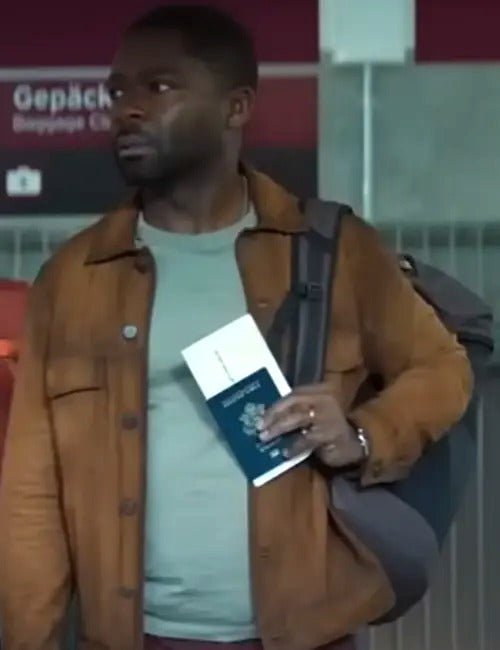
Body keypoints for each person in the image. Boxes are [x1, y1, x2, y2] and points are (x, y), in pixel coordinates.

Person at [0, 5, 473, 650]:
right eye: (117, 93)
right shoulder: (73, 279)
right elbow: (31, 491)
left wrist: (364, 433)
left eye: (158, 87)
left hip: (307, 634)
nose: (127, 109)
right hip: (137, 636)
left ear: (237, 107)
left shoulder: (333, 252)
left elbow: (443, 369)